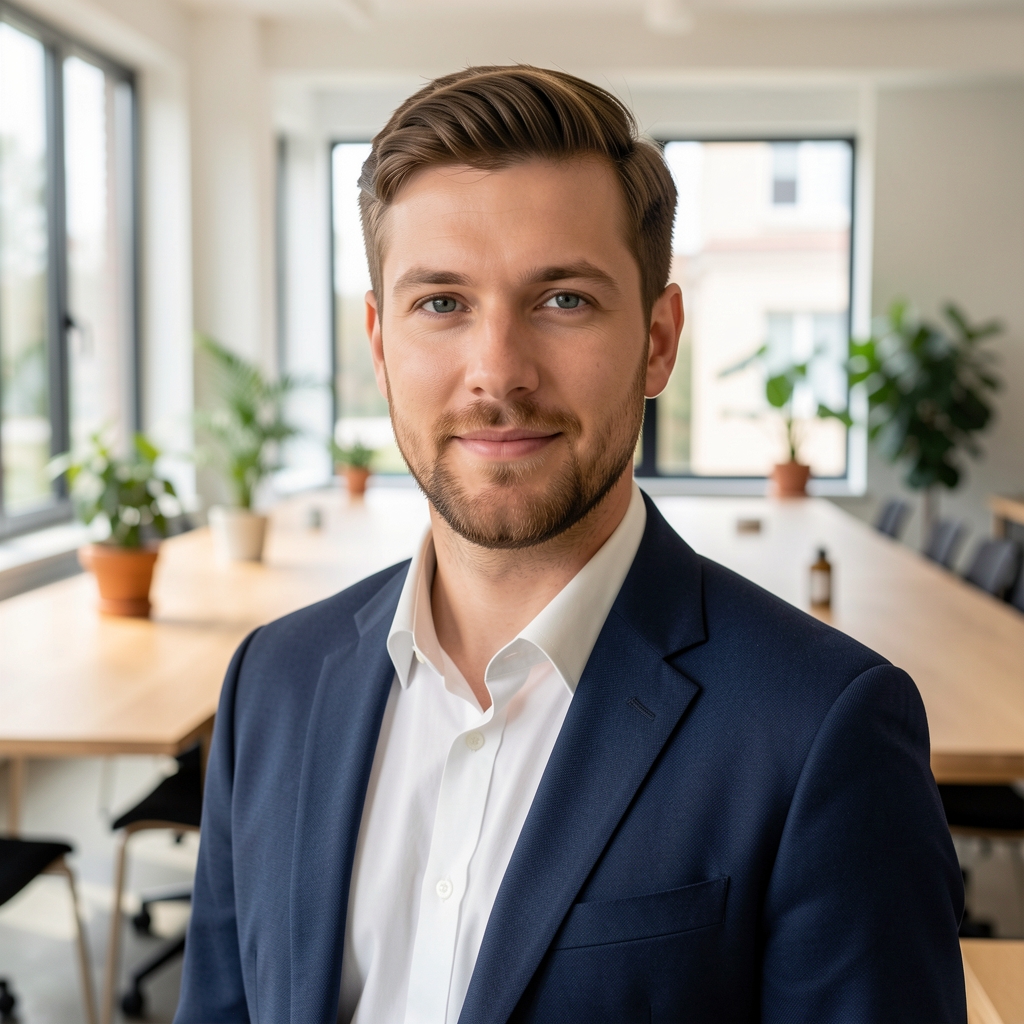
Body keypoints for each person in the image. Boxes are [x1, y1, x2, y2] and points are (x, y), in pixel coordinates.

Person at [175, 66, 966, 1024]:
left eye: (564, 300)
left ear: (659, 340)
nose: (497, 372)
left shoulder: (820, 729)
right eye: (441, 303)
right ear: (380, 345)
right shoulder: (273, 680)